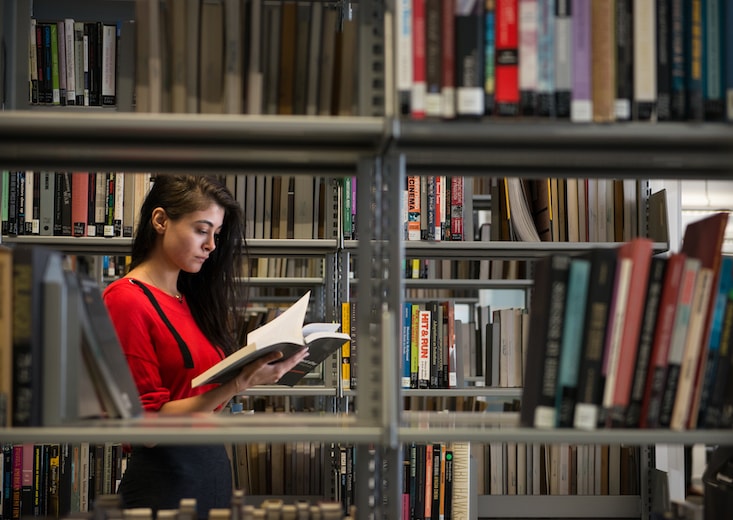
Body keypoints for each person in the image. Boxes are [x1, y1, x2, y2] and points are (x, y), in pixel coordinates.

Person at [103, 175, 309, 517]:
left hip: (211, 478)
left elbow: (200, 403)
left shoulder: (189, 301)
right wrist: (238, 383)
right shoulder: (125, 301)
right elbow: (146, 427)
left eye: (216, 234)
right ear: (160, 220)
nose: (212, 245)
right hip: (165, 487)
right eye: (202, 230)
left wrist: (248, 376)